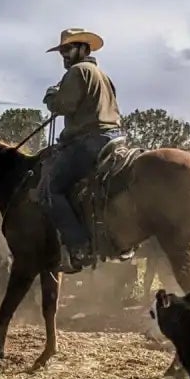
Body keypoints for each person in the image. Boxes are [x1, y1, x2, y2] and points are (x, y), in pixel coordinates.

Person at [39, 28, 123, 271]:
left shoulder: (78, 72)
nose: (64, 54)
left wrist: (50, 96)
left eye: (69, 48)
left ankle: (79, 247)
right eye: (62, 50)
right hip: (114, 137)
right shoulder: (102, 75)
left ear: (84, 48)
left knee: (51, 190)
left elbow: (63, 105)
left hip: (89, 141)